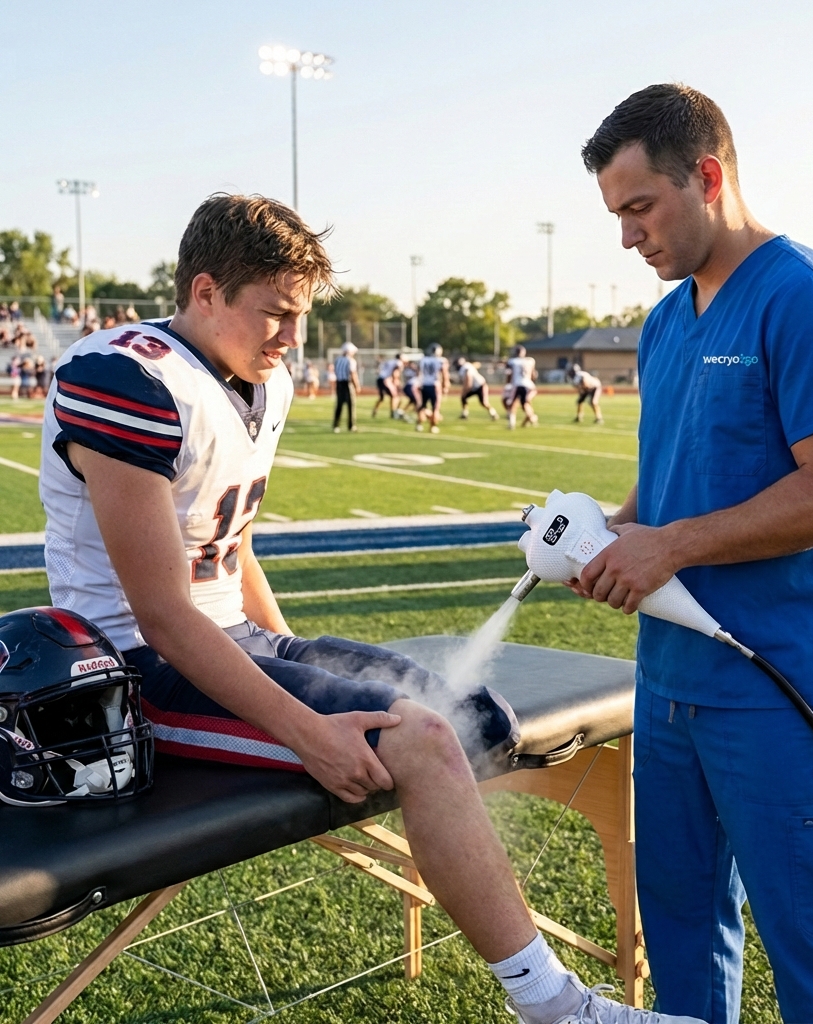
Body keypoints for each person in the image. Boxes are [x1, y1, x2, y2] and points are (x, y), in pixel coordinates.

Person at [37, 194, 688, 1024]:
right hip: (129, 672)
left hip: (226, 636)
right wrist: (307, 726)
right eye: (275, 314)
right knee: (418, 741)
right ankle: (555, 1007)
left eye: (300, 317)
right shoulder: (126, 379)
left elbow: (229, 547)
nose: (290, 339)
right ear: (205, 292)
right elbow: (163, 615)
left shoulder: (249, 379)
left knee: (468, 716)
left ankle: (519, 947)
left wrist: (284, 647)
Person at [574, 83, 813, 1022]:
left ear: (708, 177)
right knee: (678, 929)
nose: (629, 237)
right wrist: (603, 531)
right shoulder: (669, 319)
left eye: (641, 207)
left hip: (779, 679)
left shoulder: (807, 294)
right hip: (670, 676)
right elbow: (667, 488)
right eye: (616, 215)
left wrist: (668, 544)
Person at [417, 343, 450, 433]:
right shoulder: (441, 360)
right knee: (435, 408)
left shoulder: (423, 360)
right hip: (434, 385)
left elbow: (419, 372)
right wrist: (445, 386)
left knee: (422, 406)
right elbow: (444, 374)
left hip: (424, 384)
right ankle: (432, 427)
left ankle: (419, 425)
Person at [454, 355, 499, 420]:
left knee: (484, 403)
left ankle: (493, 413)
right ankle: (464, 414)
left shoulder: (465, 368)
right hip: (473, 386)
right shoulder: (467, 366)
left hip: (480, 386)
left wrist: (466, 390)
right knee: (463, 398)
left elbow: (468, 380)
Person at [506, 345, 538, 429]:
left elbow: (509, 374)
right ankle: (531, 418)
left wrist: (509, 384)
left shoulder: (513, 361)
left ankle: (512, 423)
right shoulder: (530, 361)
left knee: (513, 404)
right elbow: (533, 375)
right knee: (525, 404)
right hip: (530, 385)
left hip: (518, 384)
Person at [332, 341, 359, 433]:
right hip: (347, 384)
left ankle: (336, 425)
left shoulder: (338, 360)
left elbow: (336, 371)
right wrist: (357, 386)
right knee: (351, 405)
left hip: (339, 383)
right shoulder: (350, 361)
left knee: (339, 405)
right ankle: (351, 426)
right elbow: (353, 374)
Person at [372, 351, 403, 419]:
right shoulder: (399, 362)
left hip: (380, 379)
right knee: (394, 396)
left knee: (382, 397)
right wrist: (395, 381)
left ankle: (375, 410)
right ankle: (393, 413)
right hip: (386, 380)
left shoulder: (390, 361)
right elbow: (395, 372)